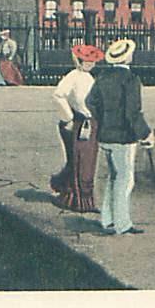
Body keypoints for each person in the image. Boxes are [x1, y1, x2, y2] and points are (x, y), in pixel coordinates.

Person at [86, 39, 155, 235]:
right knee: (125, 180)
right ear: (128, 57)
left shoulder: (102, 77)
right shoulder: (130, 79)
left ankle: (107, 219)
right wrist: (146, 134)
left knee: (112, 177)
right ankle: (122, 224)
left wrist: (103, 119)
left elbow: (90, 102)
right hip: (123, 137)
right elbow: (133, 112)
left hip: (105, 135)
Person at [50, 43, 105, 212]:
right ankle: (76, 199)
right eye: (85, 61)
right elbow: (58, 95)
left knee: (87, 161)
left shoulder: (89, 78)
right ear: (78, 61)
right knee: (81, 161)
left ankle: (76, 195)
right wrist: (69, 117)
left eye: (92, 61)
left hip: (91, 124)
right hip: (78, 124)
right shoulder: (72, 76)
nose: (89, 64)